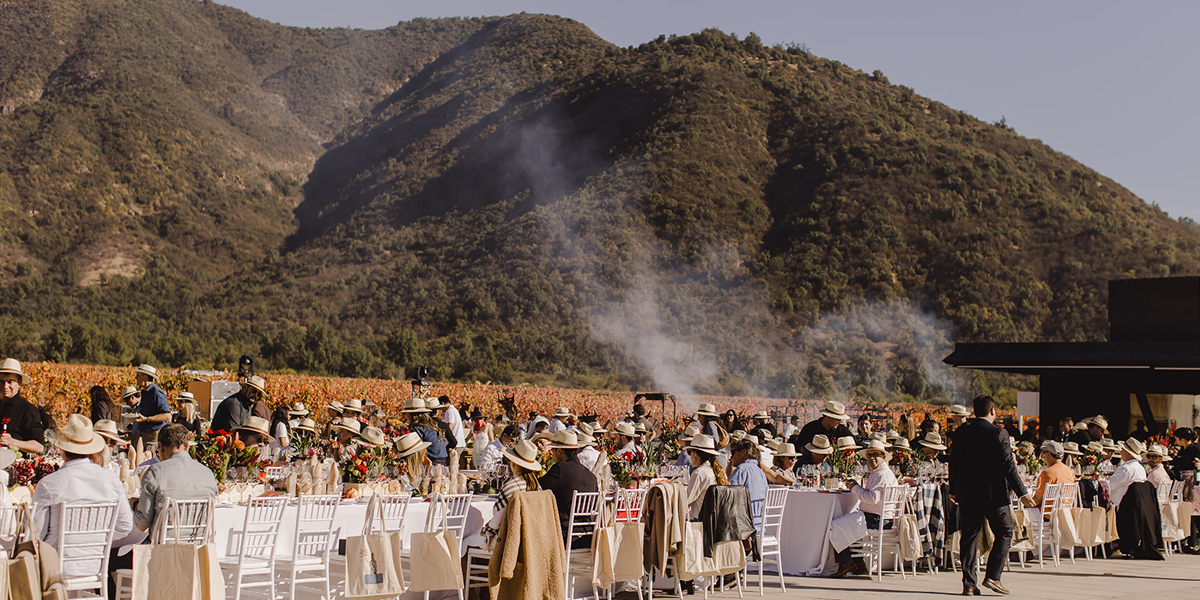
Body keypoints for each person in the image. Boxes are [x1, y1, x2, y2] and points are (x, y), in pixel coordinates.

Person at [949, 395, 1034, 596]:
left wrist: (953, 488)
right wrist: (1022, 493)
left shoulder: (961, 432)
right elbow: (1009, 466)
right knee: (1005, 531)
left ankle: (969, 584)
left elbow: (954, 463)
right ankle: (993, 576)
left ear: (974, 411)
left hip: (968, 492)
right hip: (992, 493)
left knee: (969, 537)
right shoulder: (999, 433)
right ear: (993, 411)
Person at [31, 415, 133, 580]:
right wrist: (95, 540)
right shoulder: (111, 479)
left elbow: (36, 535)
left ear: (62, 449)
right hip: (95, 564)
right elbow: (125, 526)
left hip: (54, 567)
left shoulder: (48, 484)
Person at [832, 439, 899, 578]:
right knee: (851, 522)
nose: (872, 458)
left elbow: (872, 498)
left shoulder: (882, 475)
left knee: (837, 524)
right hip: (881, 517)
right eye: (869, 455)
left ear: (883, 457)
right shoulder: (879, 472)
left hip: (878, 518)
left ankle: (845, 563)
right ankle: (859, 563)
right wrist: (857, 486)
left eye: (876, 454)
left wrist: (854, 488)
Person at [476, 440, 543, 549]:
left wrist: (488, 526)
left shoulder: (511, 487)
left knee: (465, 541)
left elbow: (497, 519)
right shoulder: (538, 487)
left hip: (508, 540)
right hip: (532, 539)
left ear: (513, 463)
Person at [538, 430, 598, 548]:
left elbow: (537, 487)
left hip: (562, 536)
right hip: (587, 537)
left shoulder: (560, 469)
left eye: (553, 450)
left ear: (559, 451)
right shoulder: (591, 476)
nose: (552, 454)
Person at [0, 359, 45, 454]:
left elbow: (39, 446)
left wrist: (12, 442)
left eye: (10, 382)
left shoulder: (27, 410)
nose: (5, 386)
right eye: (1, 381)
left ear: (19, 382)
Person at [727, 437, 767, 533]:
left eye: (733, 453)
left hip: (745, 526)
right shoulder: (760, 471)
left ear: (743, 452)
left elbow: (731, 497)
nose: (731, 457)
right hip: (761, 524)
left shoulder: (741, 470)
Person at [684, 434, 727, 519]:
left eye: (690, 452)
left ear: (695, 454)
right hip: (713, 522)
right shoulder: (717, 471)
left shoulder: (699, 473)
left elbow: (686, 501)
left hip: (698, 523)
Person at [129, 364, 170, 445]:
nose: (136, 378)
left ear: (145, 377)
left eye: (138, 375)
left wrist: (147, 419)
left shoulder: (156, 392)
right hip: (145, 432)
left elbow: (167, 416)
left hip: (154, 433)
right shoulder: (144, 392)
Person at [1031, 441, 1075, 512]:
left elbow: (1037, 500)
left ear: (1049, 454)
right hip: (1064, 512)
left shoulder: (1047, 473)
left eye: (1044, 452)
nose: (1042, 456)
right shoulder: (1069, 471)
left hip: (1048, 513)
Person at [405, 398, 449, 467]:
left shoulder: (418, 428)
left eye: (406, 414)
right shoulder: (432, 425)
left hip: (431, 460)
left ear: (412, 415)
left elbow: (418, 450)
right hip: (442, 458)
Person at [1108, 438, 1148, 508]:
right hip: (1135, 506)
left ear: (1128, 454)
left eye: (1122, 450)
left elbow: (1109, 486)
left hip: (1118, 507)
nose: (1120, 452)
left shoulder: (1125, 468)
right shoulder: (1141, 469)